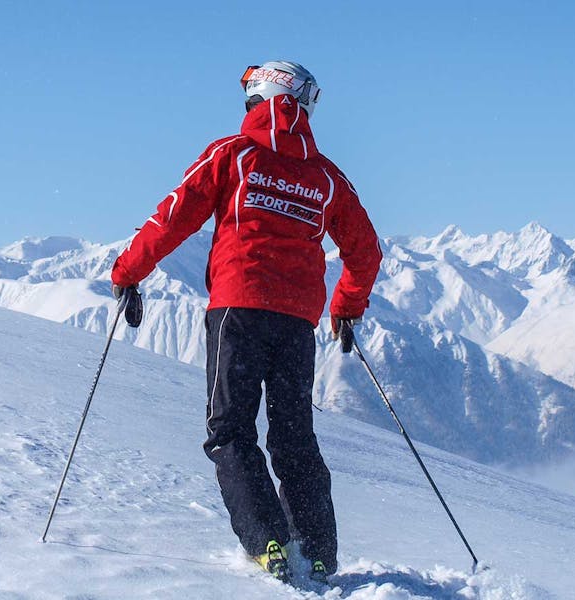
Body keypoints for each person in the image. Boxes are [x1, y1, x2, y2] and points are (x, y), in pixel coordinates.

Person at [111, 60, 381, 584]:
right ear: (302, 106)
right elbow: (365, 252)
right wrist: (345, 308)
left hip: (237, 311)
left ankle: (268, 543)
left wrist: (128, 272)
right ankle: (320, 551)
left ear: (257, 98)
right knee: (293, 436)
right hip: (297, 321)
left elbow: (174, 215)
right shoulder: (326, 177)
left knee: (230, 430)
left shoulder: (233, 155)